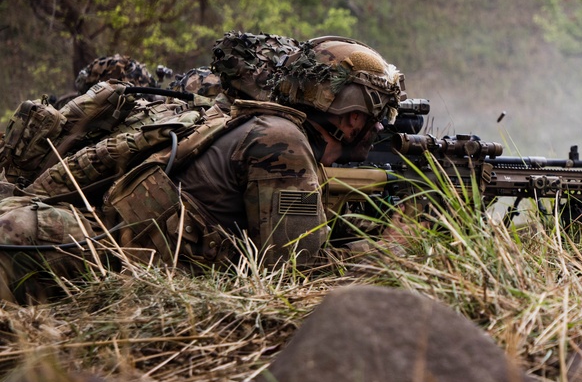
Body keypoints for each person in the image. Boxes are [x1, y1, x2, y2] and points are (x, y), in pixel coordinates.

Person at [0, 35, 405, 303]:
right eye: (377, 115)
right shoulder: (283, 142)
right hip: (59, 255)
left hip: (49, 236)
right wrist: (388, 249)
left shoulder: (244, 118)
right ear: (352, 113)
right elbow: (293, 273)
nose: (378, 128)